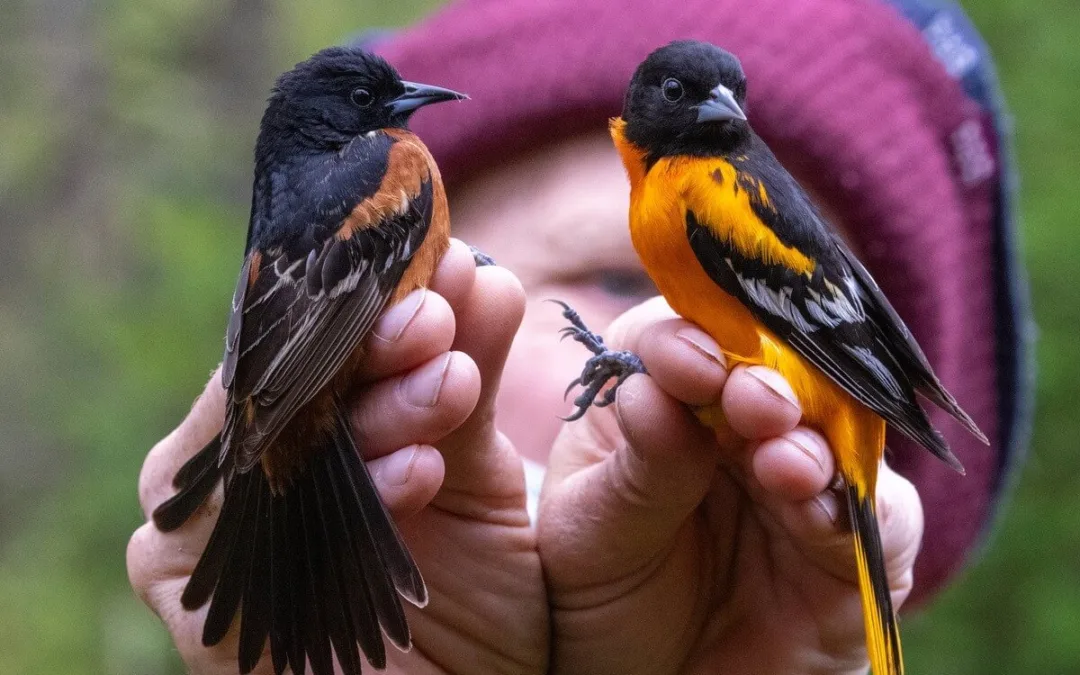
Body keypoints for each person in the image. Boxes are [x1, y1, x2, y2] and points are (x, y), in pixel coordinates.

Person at [127, 0, 1031, 672]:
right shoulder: (396, 180)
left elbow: (802, 340)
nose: (641, 316)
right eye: (612, 278)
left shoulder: (717, 193)